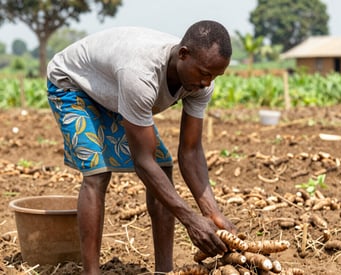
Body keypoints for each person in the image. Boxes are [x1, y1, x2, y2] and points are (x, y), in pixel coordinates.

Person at [46, 20, 236, 275]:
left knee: (163, 167)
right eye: (204, 73)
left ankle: (164, 271)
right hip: (73, 84)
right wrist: (190, 220)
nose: (207, 82)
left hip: (113, 91)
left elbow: (190, 152)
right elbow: (142, 162)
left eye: (215, 76)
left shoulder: (201, 81)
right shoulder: (141, 74)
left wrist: (212, 214)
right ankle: (91, 272)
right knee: (97, 173)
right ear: (183, 54)